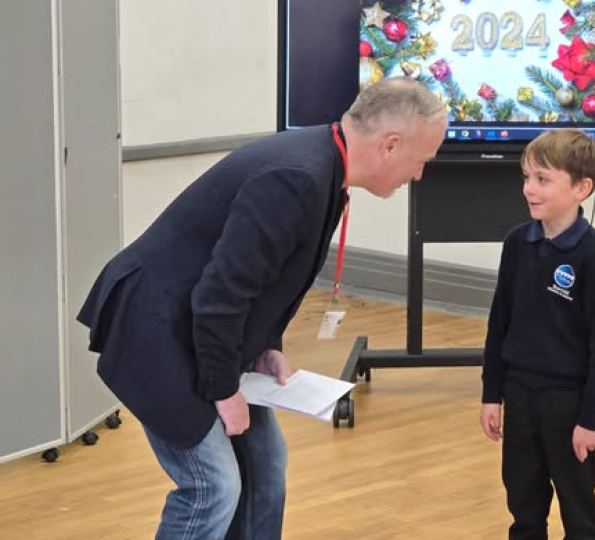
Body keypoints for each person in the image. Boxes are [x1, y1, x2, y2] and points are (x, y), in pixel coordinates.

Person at [77, 76, 448, 540]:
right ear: (391, 146)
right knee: (212, 486)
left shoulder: (324, 164)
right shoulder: (299, 177)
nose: (419, 175)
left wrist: (264, 346)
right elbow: (220, 295)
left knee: (266, 464)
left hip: (198, 326)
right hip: (155, 328)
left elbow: (263, 277)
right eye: (422, 162)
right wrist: (223, 389)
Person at [479, 129, 595, 540]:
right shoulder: (516, 244)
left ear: (582, 187)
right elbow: (498, 324)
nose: (529, 189)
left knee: (579, 510)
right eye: (526, 177)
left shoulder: (594, 254)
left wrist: (590, 418)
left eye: (542, 179)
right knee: (523, 506)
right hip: (519, 396)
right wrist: (492, 394)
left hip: (569, 406)